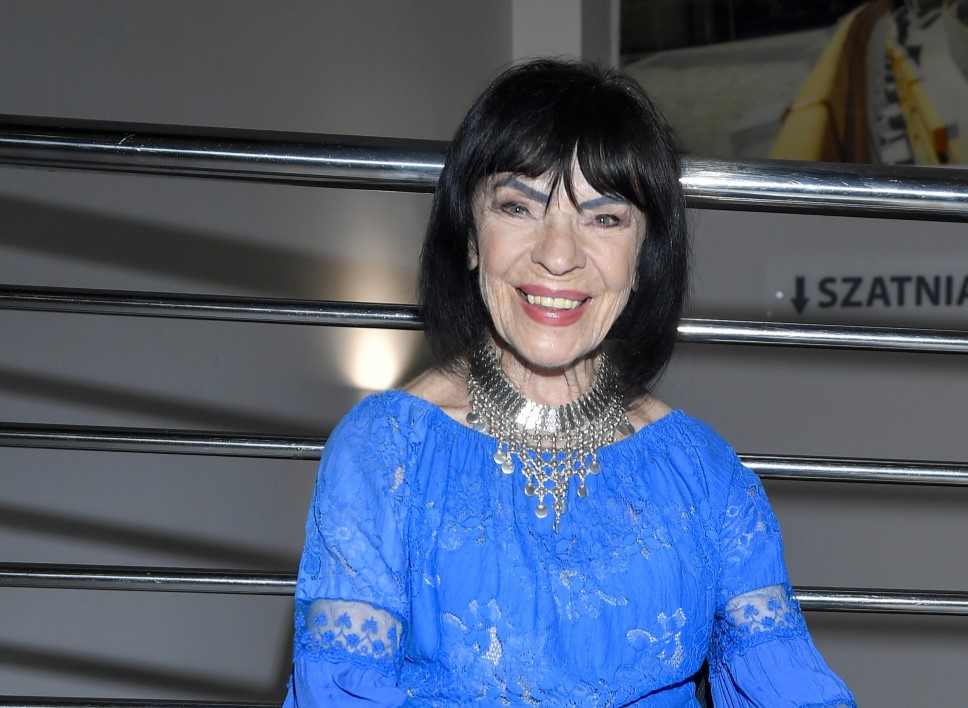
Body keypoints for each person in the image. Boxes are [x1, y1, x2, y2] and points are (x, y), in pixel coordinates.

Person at [283, 58, 854, 707]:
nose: (557, 255)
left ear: (642, 255)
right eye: (517, 207)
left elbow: (786, 685)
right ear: (470, 236)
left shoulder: (701, 471)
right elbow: (339, 692)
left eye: (604, 218)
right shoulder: (385, 452)